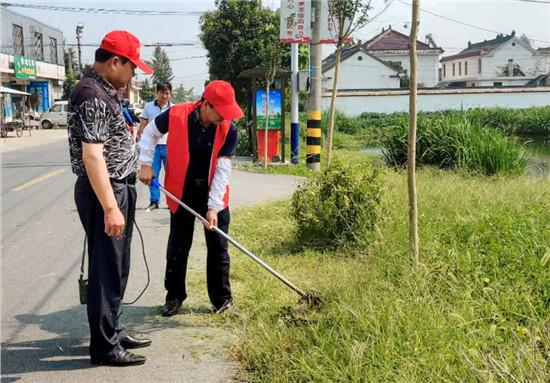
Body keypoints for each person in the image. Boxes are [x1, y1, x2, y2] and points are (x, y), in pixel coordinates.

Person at [68, 30, 153, 367]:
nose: (134, 73)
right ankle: (104, 347)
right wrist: (110, 207)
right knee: (105, 270)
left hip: (119, 186)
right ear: (114, 61)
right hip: (105, 191)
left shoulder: (107, 90)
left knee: (118, 266)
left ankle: (114, 329)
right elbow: (92, 157)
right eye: (132, 67)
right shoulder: (91, 93)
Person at [138, 80, 243, 316]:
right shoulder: (176, 114)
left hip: (213, 193)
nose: (224, 118)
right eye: (221, 112)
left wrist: (213, 208)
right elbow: (150, 133)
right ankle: (174, 297)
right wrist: (145, 163)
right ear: (206, 104)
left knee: (218, 248)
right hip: (181, 191)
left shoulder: (229, 129)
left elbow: (222, 170)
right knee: (178, 247)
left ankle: (221, 301)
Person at [137, 82, 172, 211]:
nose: (165, 95)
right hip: (153, 148)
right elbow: (144, 124)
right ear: (157, 93)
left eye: (167, 93)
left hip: (169, 146)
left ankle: (171, 202)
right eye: (162, 92)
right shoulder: (148, 107)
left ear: (170, 94)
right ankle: (154, 201)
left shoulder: (173, 109)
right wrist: (139, 138)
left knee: (172, 176)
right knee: (153, 175)